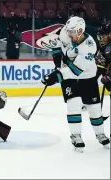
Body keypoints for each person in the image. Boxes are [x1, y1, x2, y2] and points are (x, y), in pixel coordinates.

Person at [41, 16, 110, 152]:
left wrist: (57, 76)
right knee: (74, 104)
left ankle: (100, 134)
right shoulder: (65, 33)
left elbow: (76, 70)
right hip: (68, 74)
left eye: (72, 32)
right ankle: (76, 136)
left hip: (87, 76)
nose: (69, 34)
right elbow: (57, 46)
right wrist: (57, 61)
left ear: (80, 31)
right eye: (68, 31)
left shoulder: (89, 46)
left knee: (94, 108)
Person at [95, 21, 111, 93]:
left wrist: (109, 76)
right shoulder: (102, 46)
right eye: (99, 36)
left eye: (102, 36)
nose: (100, 39)